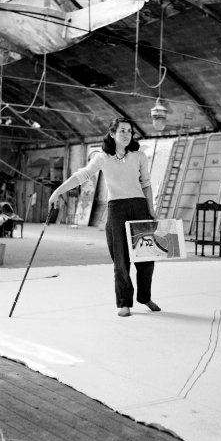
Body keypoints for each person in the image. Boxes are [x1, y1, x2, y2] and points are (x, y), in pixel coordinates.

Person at [48, 118, 161, 317]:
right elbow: (81, 176)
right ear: (112, 133)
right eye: (122, 131)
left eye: (129, 131)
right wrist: (57, 192)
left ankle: (145, 297)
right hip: (117, 209)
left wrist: (150, 209)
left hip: (139, 207)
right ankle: (124, 302)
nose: (127, 134)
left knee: (146, 258)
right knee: (120, 259)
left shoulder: (140, 156)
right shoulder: (102, 158)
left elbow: (146, 184)